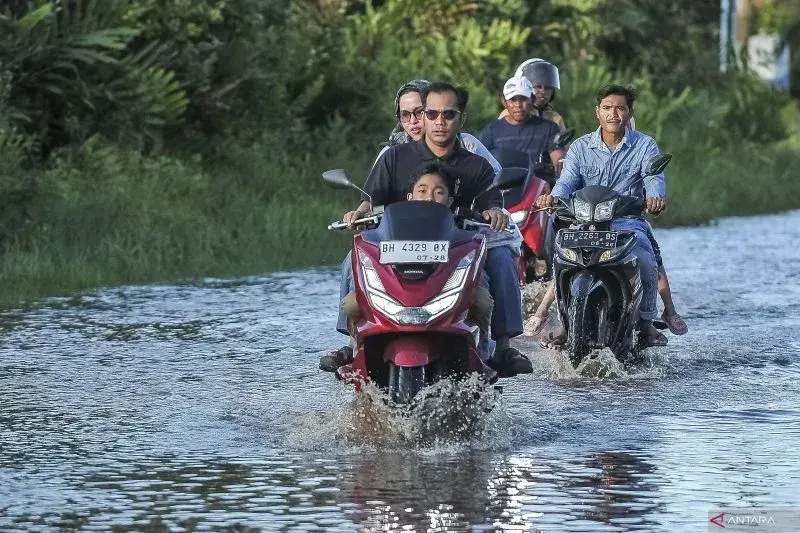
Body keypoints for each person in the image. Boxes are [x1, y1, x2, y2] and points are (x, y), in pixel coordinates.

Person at [323, 82, 532, 377]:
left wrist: (495, 212)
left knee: (500, 260)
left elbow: (493, 202)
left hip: (456, 249)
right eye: (431, 114)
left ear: (461, 119)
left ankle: (504, 347)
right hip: (396, 247)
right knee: (352, 260)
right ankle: (352, 343)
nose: (439, 121)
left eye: (448, 114)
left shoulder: (477, 164)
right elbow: (370, 201)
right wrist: (357, 214)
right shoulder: (394, 157)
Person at [320, 162, 497, 373]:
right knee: (351, 302)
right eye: (422, 191)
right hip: (400, 289)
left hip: (443, 288)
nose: (430, 197)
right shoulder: (392, 227)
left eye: (438, 192)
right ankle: (354, 349)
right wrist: (359, 215)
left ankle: (484, 354)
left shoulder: (458, 231)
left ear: (449, 201)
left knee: (483, 300)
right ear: (409, 197)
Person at [535, 84, 669, 347]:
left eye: (620, 108)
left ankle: (646, 322)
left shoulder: (644, 145)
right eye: (607, 108)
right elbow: (567, 181)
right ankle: (565, 320)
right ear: (598, 112)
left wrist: (655, 197)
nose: (613, 114)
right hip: (585, 223)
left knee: (644, 258)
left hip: (626, 223)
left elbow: (654, 177)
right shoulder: (580, 147)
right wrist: (553, 197)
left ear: (629, 113)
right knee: (562, 258)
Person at [479, 76, 565, 182]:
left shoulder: (549, 128)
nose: (518, 105)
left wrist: (560, 163)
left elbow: (557, 157)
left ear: (532, 99)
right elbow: (479, 160)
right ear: (504, 102)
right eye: (513, 100)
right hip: (502, 191)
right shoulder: (492, 130)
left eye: (523, 99)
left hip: (538, 191)